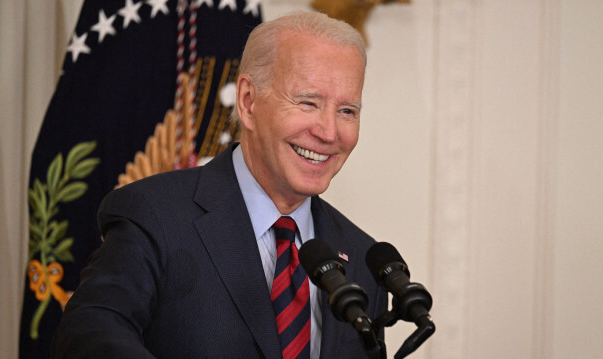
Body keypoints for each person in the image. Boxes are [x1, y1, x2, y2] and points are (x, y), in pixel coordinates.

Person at [52, 11, 387, 359]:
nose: (329, 133)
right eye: (307, 102)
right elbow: (88, 333)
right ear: (248, 101)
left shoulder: (364, 260)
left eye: (347, 111)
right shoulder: (153, 216)